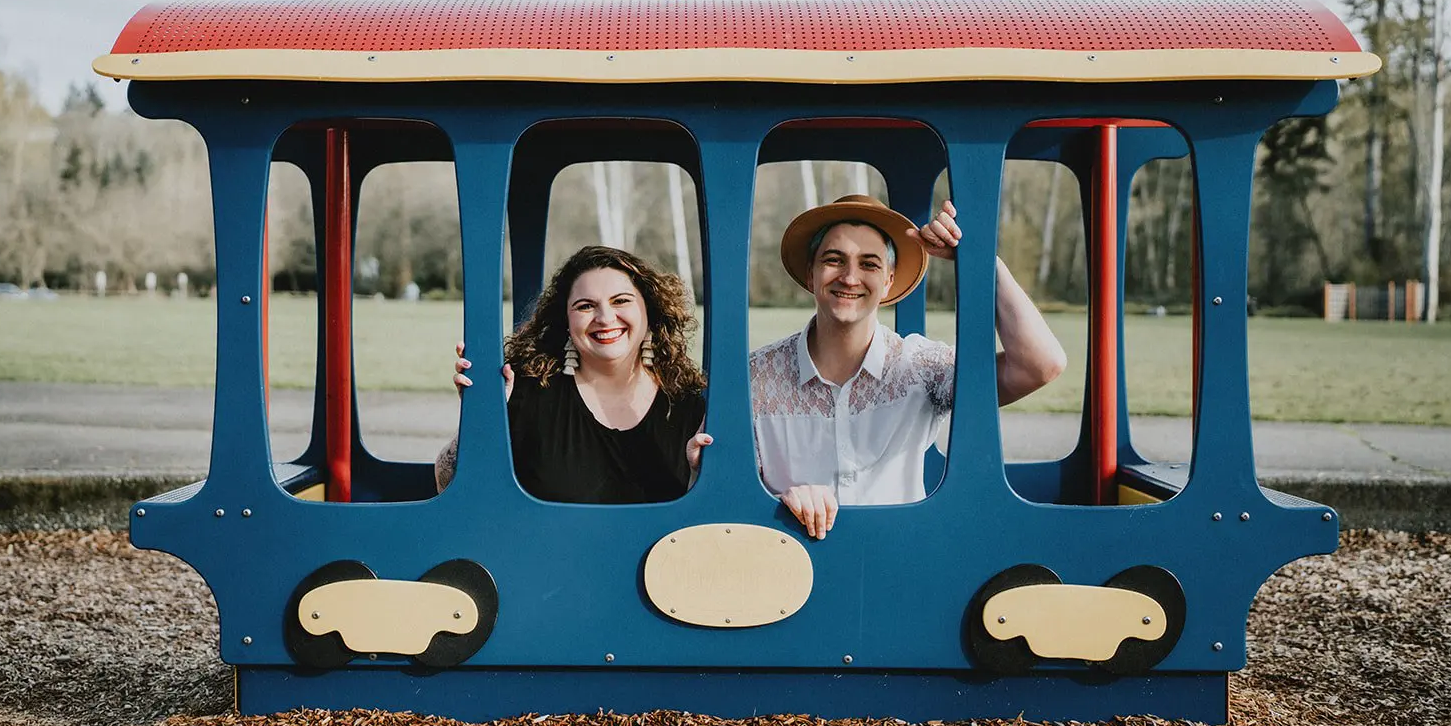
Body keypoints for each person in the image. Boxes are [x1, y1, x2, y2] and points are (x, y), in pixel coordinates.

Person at [750, 194, 1066, 538]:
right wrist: (778, 502)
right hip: (792, 572)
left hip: (901, 569)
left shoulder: (920, 367)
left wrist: (980, 260)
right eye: (834, 259)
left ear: (888, 281)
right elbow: (725, 490)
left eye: (869, 264)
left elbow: (1040, 365)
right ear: (811, 276)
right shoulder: (754, 377)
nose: (850, 277)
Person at [434, 245, 712, 503]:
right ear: (566, 320)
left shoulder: (691, 406)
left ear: (649, 310)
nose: (605, 318)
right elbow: (446, 483)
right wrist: (481, 418)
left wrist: (699, 477)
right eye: (585, 306)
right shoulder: (524, 393)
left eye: (621, 301)